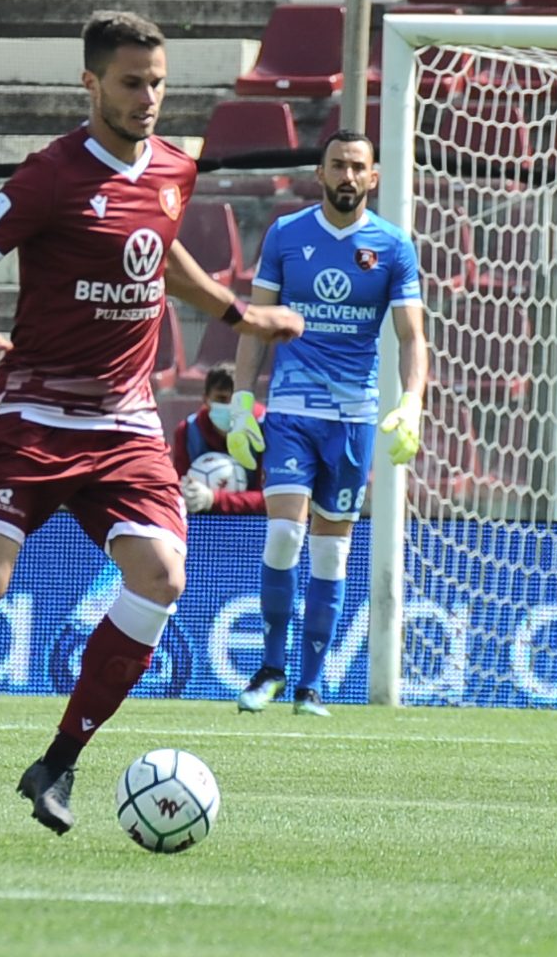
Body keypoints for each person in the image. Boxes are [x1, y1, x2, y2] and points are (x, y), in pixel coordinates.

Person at [0, 10, 304, 838]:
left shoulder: (175, 167)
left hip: (125, 419)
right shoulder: (49, 176)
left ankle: (58, 763)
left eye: (158, 83)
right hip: (35, 412)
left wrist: (240, 313)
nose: (148, 98)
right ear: (90, 83)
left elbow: (162, 252)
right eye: (132, 83)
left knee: (162, 577)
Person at [227, 129, 429, 716]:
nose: (347, 175)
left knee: (330, 555)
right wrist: (241, 399)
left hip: (354, 417)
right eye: (337, 164)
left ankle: (310, 686)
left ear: (374, 177)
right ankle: (270, 668)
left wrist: (411, 402)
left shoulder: (393, 246)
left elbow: (412, 336)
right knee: (284, 534)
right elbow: (256, 322)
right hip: (292, 409)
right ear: (319, 173)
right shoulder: (286, 235)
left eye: (358, 166)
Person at [169, 361, 267, 516]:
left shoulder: (266, 430)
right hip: (202, 523)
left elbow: (273, 499)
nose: (230, 407)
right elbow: (179, 489)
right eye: (221, 399)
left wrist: (213, 499)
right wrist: (189, 495)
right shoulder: (187, 432)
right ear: (206, 399)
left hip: (257, 525)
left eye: (237, 400)